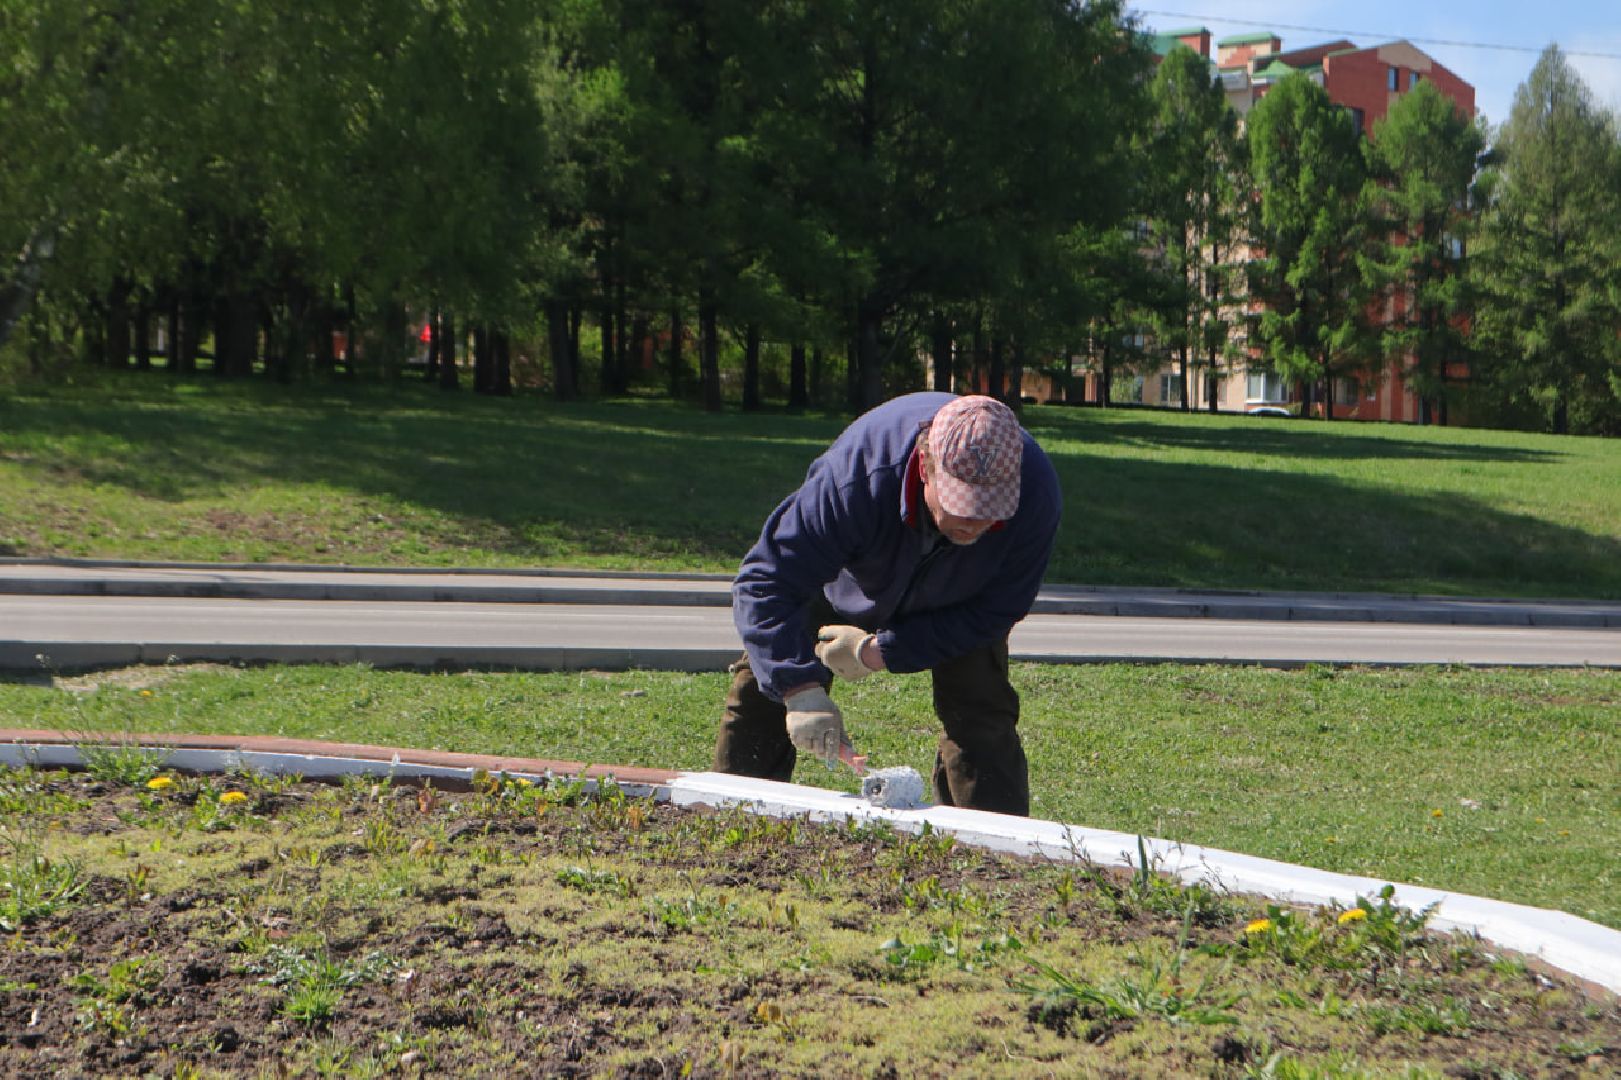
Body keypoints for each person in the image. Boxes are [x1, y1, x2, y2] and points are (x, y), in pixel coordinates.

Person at [715, 391, 1062, 816]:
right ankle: (732, 818)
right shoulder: (859, 477)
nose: (976, 524)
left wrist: (881, 652)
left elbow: (998, 609)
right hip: (846, 573)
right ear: (924, 467)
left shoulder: (1036, 496)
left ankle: (996, 851)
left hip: (964, 597)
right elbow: (767, 579)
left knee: (982, 715)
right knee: (762, 690)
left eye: (991, 511)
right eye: (962, 506)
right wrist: (798, 689)